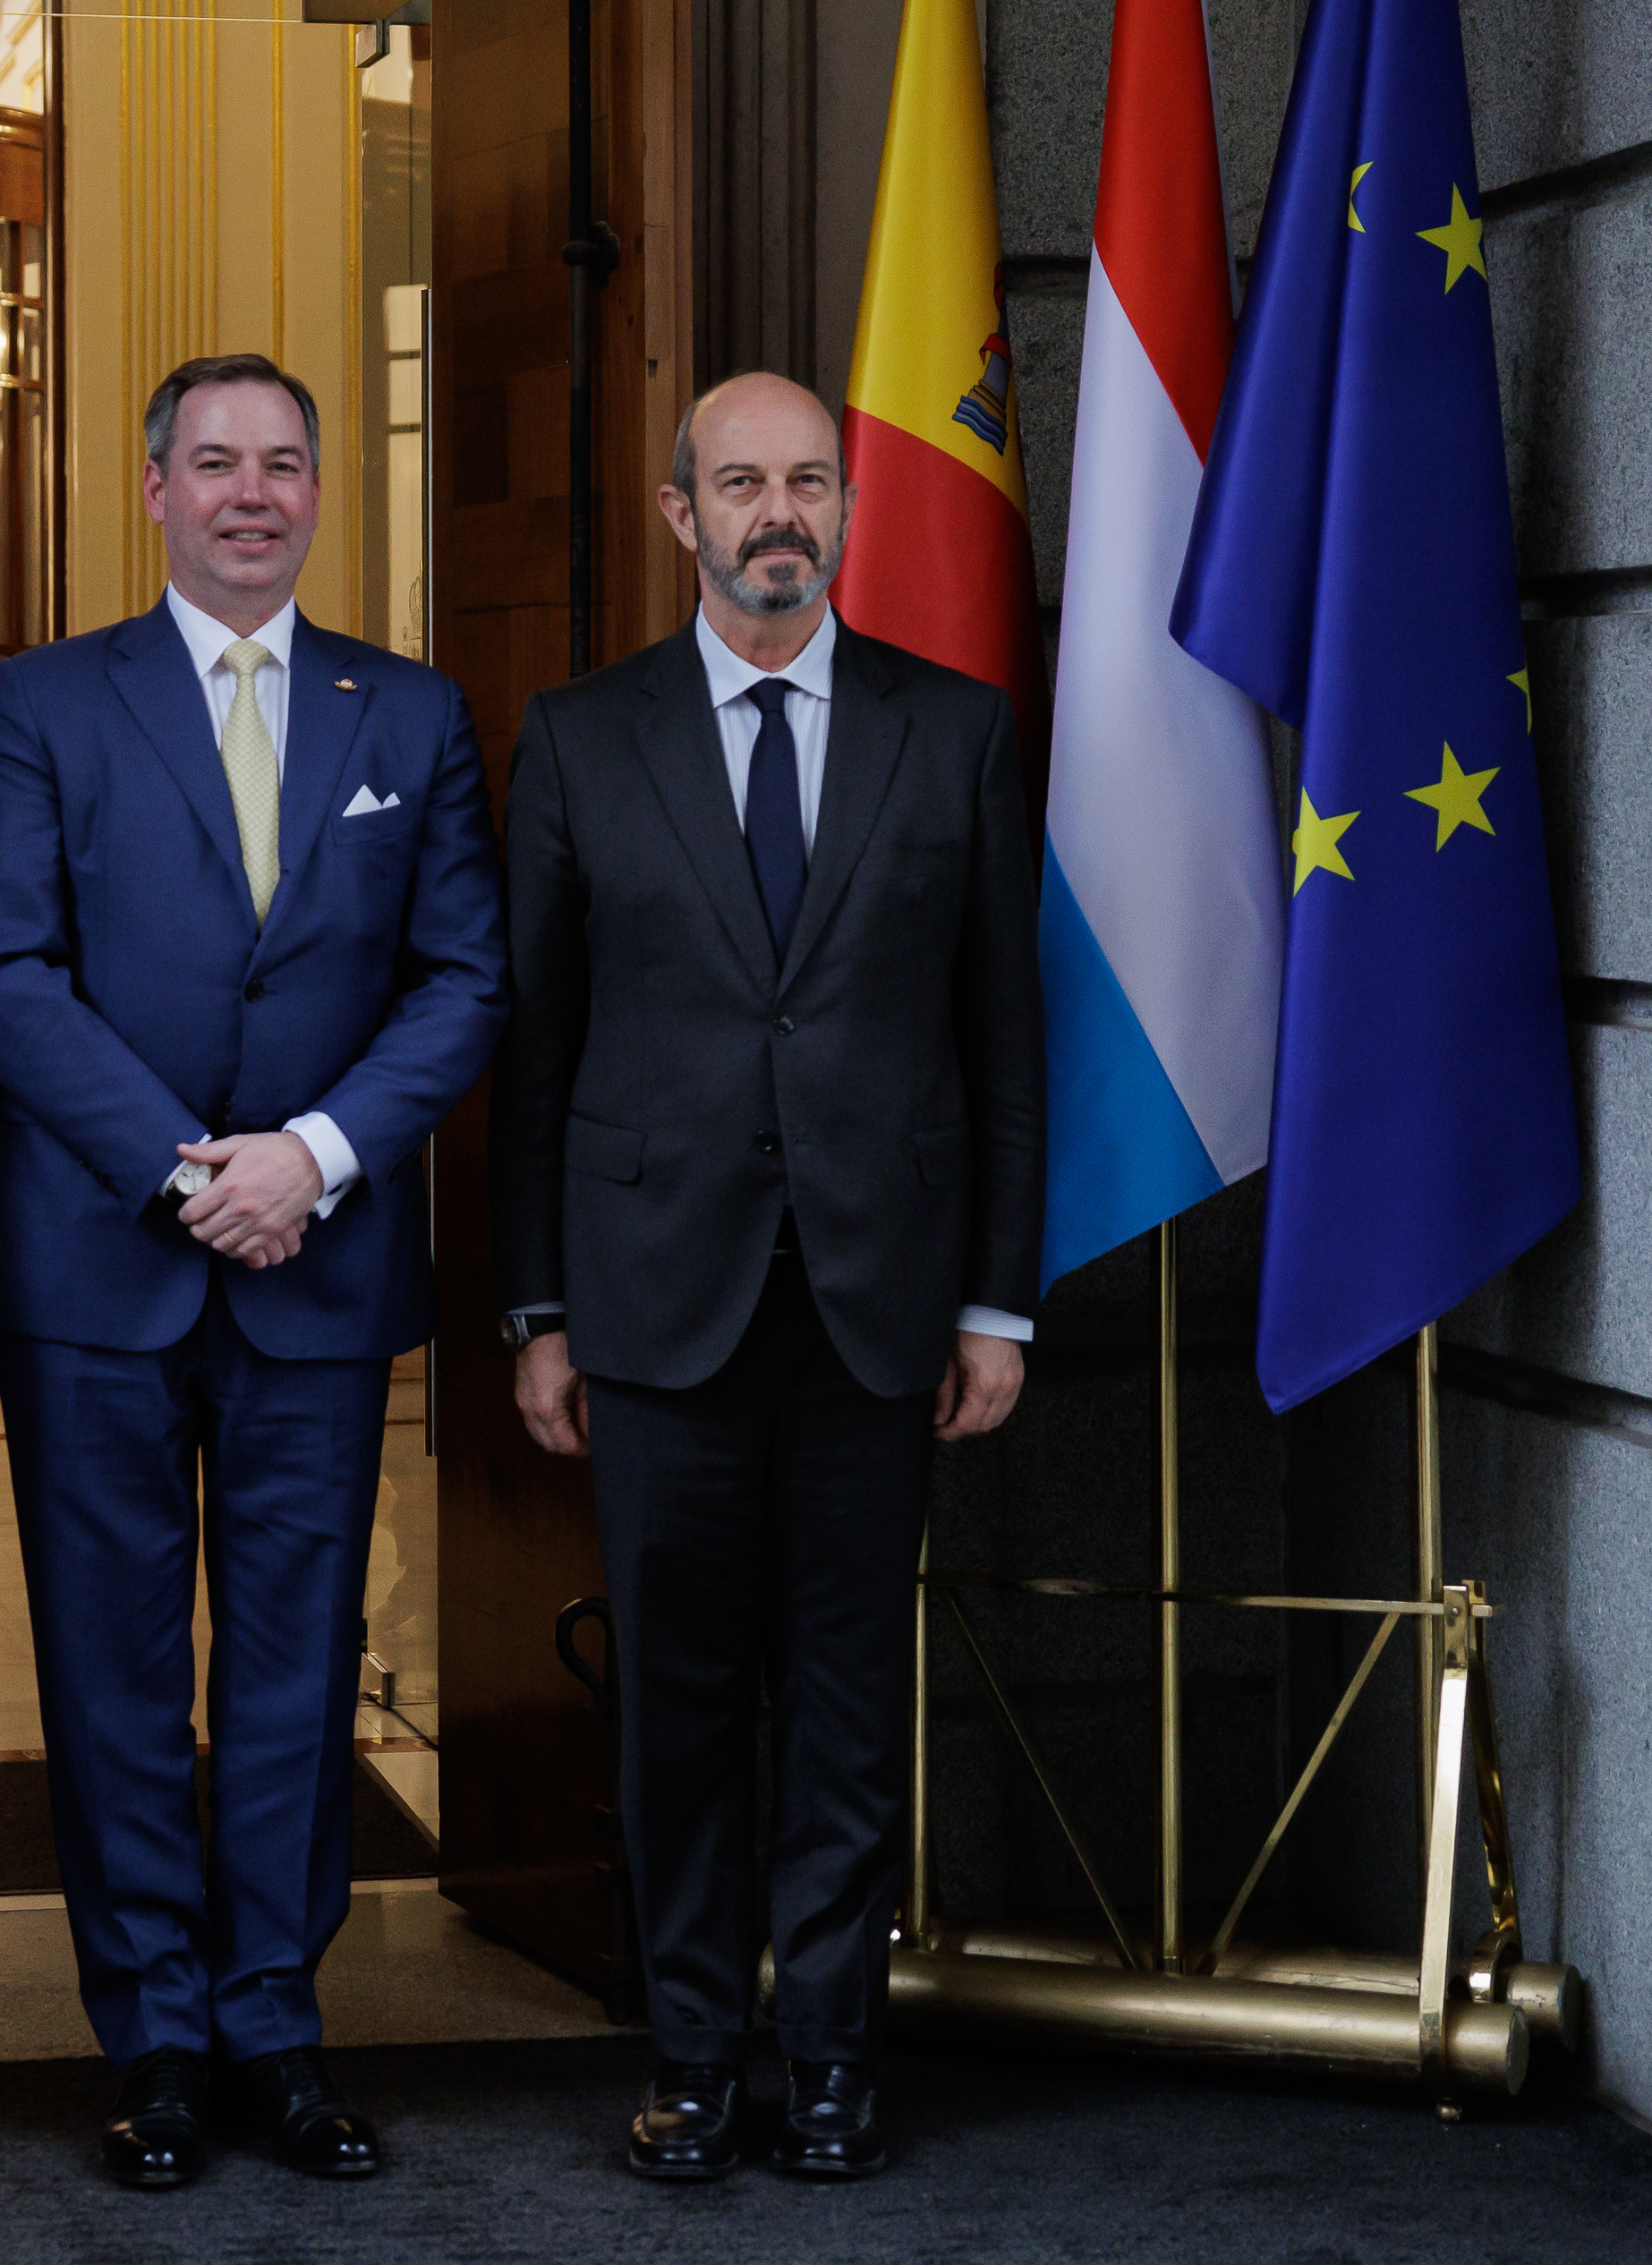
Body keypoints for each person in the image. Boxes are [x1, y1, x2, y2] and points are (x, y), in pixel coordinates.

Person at [0, 353, 507, 2189]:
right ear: (152, 485)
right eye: (213, 461)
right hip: (98, 1266)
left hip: (321, 1267)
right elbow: (0, 969)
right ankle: (154, 2035)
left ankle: (274, 2020)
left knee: (294, 1668)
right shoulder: (44, 701)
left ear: (319, 494)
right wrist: (191, 1172)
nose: (249, 491)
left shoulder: (408, 714)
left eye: (281, 462)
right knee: (112, 1672)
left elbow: (460, 980)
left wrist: (315, 1160)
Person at [487, 371, 1043, 2183]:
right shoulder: (579, 736)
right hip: (651, 1302)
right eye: (739, 482)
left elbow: (1002, 1039)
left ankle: (826, 2049)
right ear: (681, 515)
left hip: (879, 1304)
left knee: (843, 1703)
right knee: (676, 1698)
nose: (775, 512)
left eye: (807, 479)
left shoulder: (949, 730)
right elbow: (537, 1045)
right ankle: (691, 2050)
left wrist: (994, 1298)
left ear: (846, 511)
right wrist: (535, 1306)